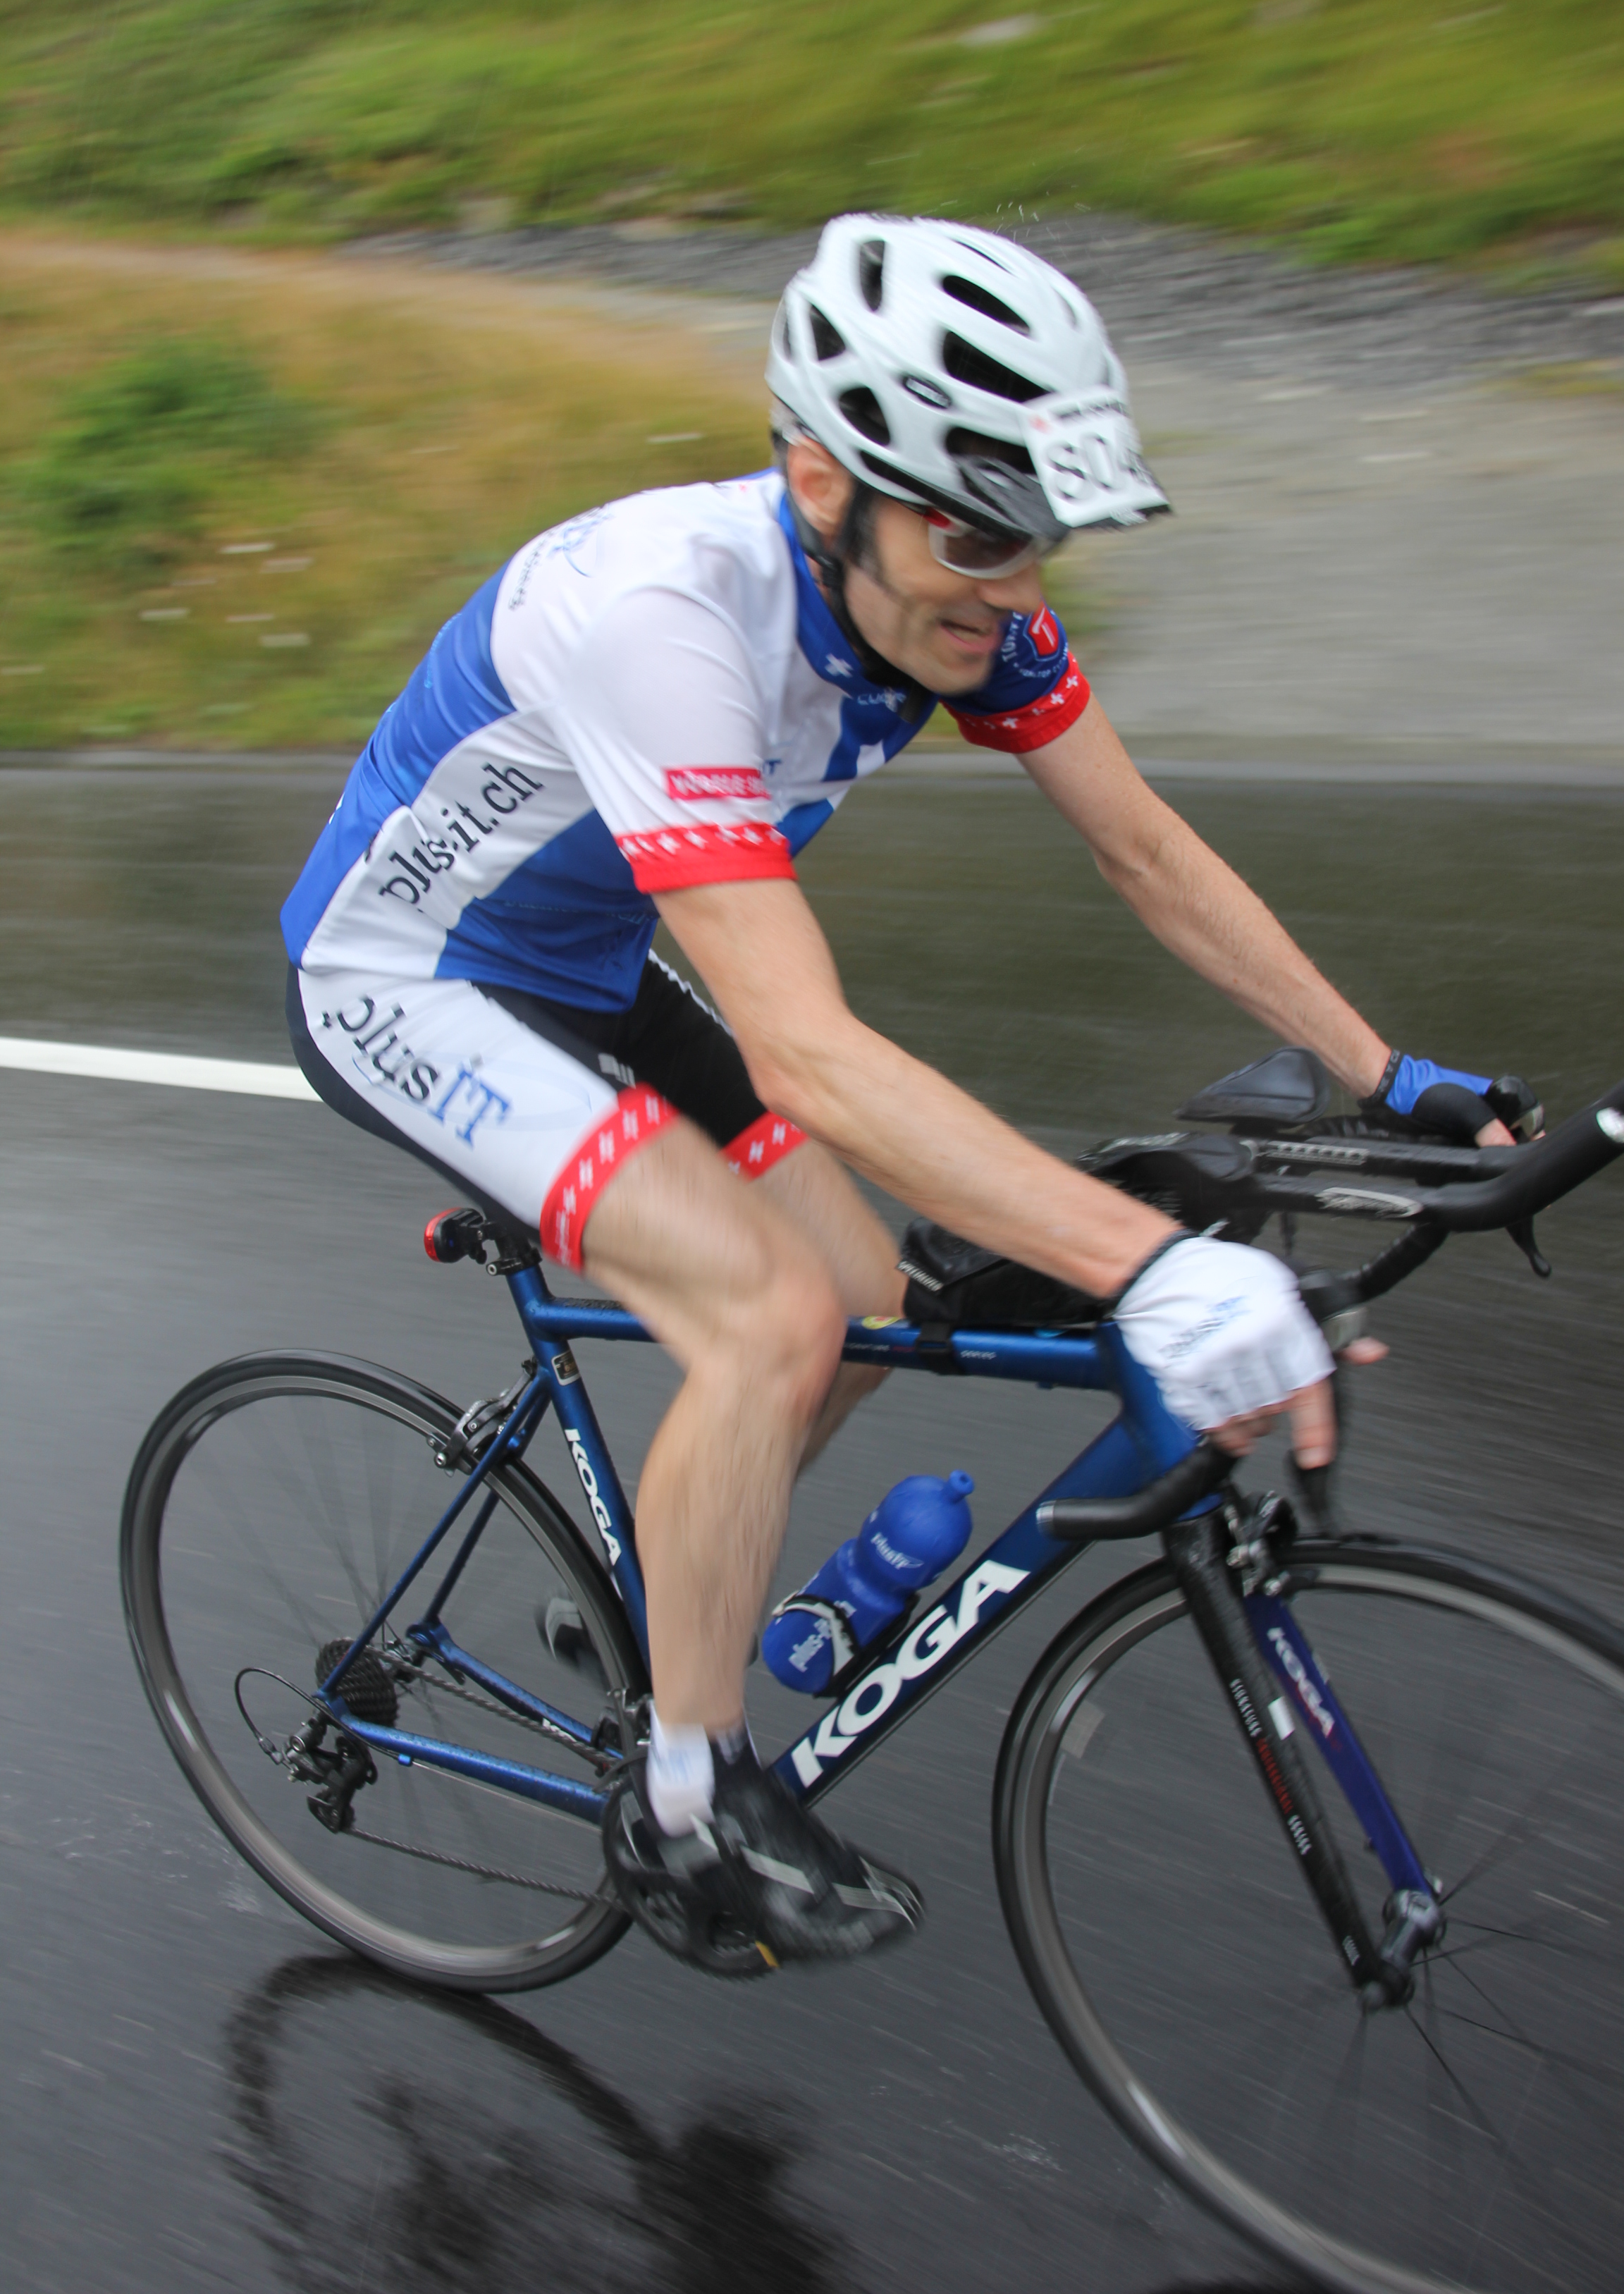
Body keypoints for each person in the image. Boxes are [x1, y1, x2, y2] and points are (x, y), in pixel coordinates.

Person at [281, 214, 1535, 1968]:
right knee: (770, 1314)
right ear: (823, 478)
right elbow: (804, 1045)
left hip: (592, 961)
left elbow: (1149, 853)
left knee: (863, 1292)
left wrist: (1383, 1072)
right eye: (978, 531)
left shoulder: (951, 601)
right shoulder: (664, 616)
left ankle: (673, 1601)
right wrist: (1152, 1268)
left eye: (1039, 535)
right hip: (403, 976)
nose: (1015, 586)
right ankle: (687, 1803)